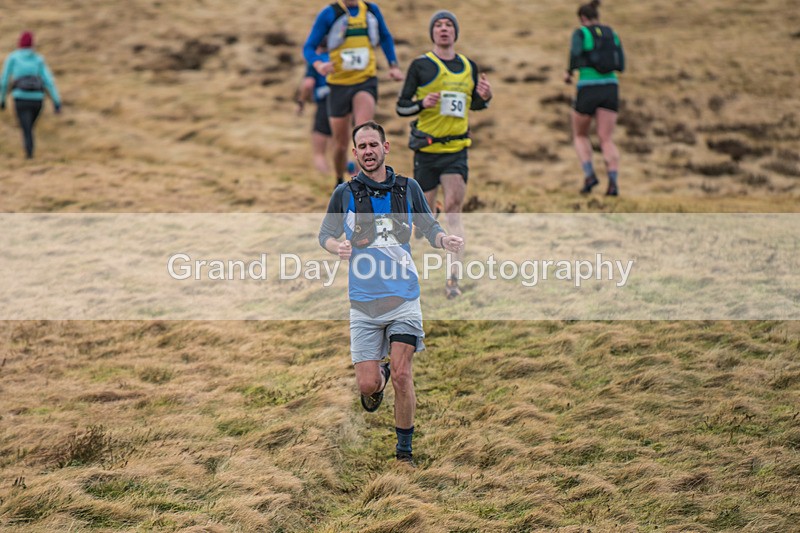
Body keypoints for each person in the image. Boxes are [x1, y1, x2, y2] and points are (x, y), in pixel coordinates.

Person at [318, 121, 463, 466]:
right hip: (364, 303)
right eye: (362, 147)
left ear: (386, 147)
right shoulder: (345, 193)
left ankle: (404, 452)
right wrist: (336, 245)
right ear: (354, 154)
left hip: (404, 298)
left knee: (402, 374)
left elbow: (428, 225)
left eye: (373, 144)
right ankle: (377, 375)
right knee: (368, 385)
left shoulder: (408, 188)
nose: (368, 151)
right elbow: (324, 234)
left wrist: (444, 241)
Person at [396, 10, 492, 299]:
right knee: (424, 217)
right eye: (438, 25)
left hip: (456, 150)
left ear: (455, 32)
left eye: (449, 24)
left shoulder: (468, 66)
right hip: (426, 149)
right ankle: (426, 213)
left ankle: (453, 281)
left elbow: (472, 104)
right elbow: (401, 107)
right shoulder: (421, 66)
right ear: (432, 33)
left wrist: (485, 98)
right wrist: (422, 103)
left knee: (454, 210)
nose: (444, 29)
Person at [303, 0, 404, 187]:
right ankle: (339, 181)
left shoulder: (371, 10)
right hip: (339, 85)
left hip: (365, 81)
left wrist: (393, 65)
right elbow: (308, 47)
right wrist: (319, 64)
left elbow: (385, 37)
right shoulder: (330, 13)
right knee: (341, 144)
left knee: (363, 132)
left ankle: (364, 181)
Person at [564, 0, 625, 196]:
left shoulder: (581, 33)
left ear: (583, 18)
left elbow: (575, 53)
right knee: (606, 139)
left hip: (587, 88)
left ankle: (590, 175)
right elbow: (621, 63)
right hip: (611, 87)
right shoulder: (611, 33)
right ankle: (613, 182)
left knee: (580, 135)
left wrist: (569, 72)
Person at [0, 31, 61, 159]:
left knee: (26, 127)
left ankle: (29, 155)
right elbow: (48, 81)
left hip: (20, 98)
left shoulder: (13, 58)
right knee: (29, 127)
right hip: (37, 100)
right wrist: (56, 102)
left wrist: (2, 99)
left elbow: (4, 80)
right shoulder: (38, 59)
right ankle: (30, 152)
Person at [297, 50, 334, 175]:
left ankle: (327, 179)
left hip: (324, 105)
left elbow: (308, 84)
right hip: (344, 103)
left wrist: (302, 102)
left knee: (319, 153)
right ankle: (351, 176)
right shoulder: (338, 56)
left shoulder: (316, 61)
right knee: (340, 147)